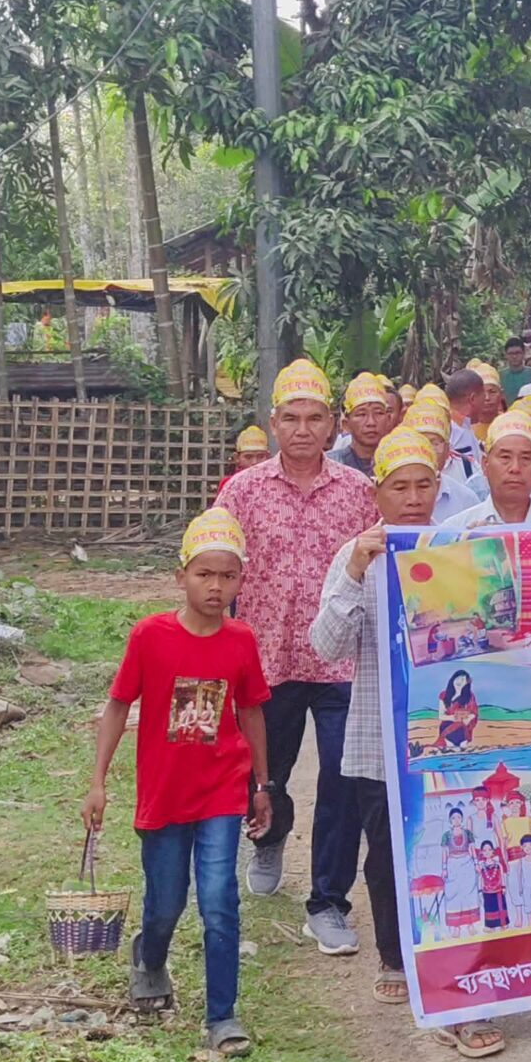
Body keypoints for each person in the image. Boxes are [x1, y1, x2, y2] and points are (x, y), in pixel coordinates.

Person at [306, 433, 508, 1059]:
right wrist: (358, 569)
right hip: (378, 732)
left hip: (452, 741)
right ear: (377, 492)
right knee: (387, 853)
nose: (414, 498)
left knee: (459, 849)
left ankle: (454, 976)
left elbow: (496, 633)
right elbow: (327, 646)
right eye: (400, 486)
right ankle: (397, 957)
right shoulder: (356, 554)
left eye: (424, 485)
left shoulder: (463, 547)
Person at [82, 507, 272, 1058]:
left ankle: (223, 1015)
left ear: (240, 580)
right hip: (164, 792)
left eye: (227, 576)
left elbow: (252, 712)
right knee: (166, 901)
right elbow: (119, 705)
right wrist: (97, 781)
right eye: (204, 574)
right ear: (181, 575)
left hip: (221, 788)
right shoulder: (151, 636)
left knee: (219, 900)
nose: (216, 587)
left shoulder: (241, 640)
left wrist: (263, 783)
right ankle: (151, 955)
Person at [211, 358, 376, 952]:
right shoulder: (242, 492)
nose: (303, 429)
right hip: (266, 663)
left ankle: (328, 901)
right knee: (265, 772)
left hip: (342, 662)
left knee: (343, 776)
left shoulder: (360, 493)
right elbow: (216, 571)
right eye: (291, 418)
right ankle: (270, 835)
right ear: (273, 424)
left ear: (332, 426)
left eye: (314, 418)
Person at [444, 411, 531, 530]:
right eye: (505, 457)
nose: (515, 468)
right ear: (485, 465)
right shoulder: (455, 531)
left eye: (525, 458)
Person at [401, 395, 483, 523]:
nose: (426, 451)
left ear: (447, 450)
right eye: (419, 442)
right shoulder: (390, 496)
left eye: (434, 443)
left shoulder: (466, 499)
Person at [327, 373, 397, 476]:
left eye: (378, 413)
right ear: (346, 424)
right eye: (361, 414)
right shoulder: (329, 465)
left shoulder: (399, 463)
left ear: (388, 420)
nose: (371, 422)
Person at [222, 426, 271, 496]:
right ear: (237, 458)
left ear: (268, 457)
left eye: (260, 456)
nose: (255, 462)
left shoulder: (274, 482)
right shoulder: (229, 483)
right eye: (248, 457)